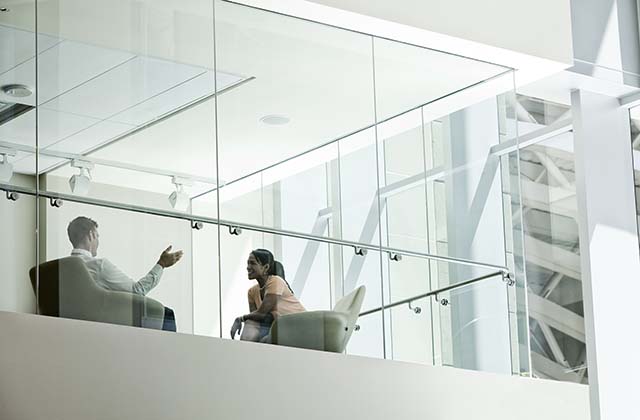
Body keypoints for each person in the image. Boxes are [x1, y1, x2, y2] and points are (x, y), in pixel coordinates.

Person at [67, 216, 183, 331]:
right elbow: (137, 291)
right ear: (91, 234)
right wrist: (161, 264)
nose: (98, 241)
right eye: (97, 236)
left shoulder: (62, 268)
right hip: (106, 327)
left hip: (73, 328)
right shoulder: (98, 265)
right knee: (166, 314)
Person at [230, 249, 305, 342]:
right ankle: (245, 349)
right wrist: (245, 320)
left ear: (265, 267)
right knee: (251, 323)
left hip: (298, 326)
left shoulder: (276, 281)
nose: (248, 267)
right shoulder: (252, 292)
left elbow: (261, 313)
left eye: (253, 263)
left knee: (260, 334)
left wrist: (240, 319)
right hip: (277, 327)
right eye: (248, 263)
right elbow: (255, 319)